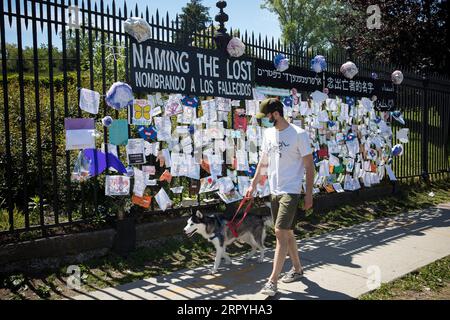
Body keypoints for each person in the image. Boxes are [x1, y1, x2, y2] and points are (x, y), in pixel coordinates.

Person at [246, 98, 315, 297]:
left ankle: (272, 281)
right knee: (288, 234)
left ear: (275, 114)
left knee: (279, 233)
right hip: (274, 190)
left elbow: (309, 166)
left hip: (291, 191)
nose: (264, 120)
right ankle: (297, 269)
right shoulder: (268, 134)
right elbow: (263, 162)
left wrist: (308, 194)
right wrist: (253, 184)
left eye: (266, 116)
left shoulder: (298, 134)